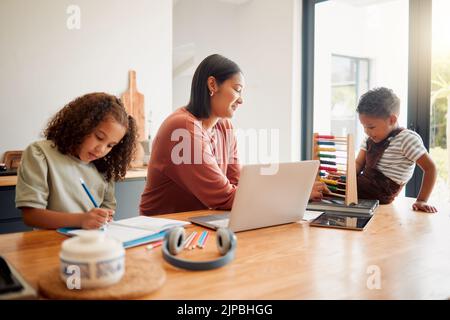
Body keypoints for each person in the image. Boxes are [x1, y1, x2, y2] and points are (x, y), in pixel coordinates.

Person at [140, 54, 326, 215]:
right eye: (237, 89)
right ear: (212, 84)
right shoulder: (183, 127)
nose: (241, 100)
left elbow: (239, 184)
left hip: (197, 222)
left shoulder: (225, 127)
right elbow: (224, 196)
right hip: (163, 231)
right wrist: (294, 193)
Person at [16, 93, 138, 229]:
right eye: (99, 137)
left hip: (90, 243)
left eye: (110, 145)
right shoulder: (40, 153)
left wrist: (103, 218)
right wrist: (81, 220)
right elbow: (31, 216)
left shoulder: (102, 168)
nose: (101, 149)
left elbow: (106, 213)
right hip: (50, 245)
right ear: (82, 125)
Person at [355, 87, 437, 212]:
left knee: (329, 188)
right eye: (364, 126)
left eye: (371, 127)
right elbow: (358, 163)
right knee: (333, 184)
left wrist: (422, 200)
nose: (366, 131)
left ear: (392, 120)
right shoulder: (370, 137)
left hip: (382, 192)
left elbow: (430, 168)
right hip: (364, 184)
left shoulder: (406, 139)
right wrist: (348, 179)